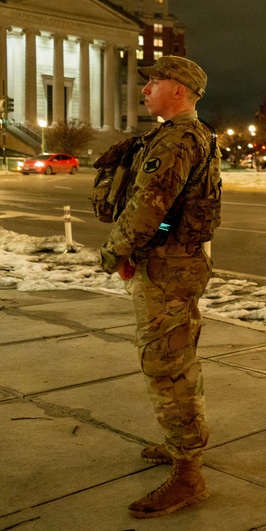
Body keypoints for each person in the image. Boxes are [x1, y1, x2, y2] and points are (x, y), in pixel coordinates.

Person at [98, 56, 222, 519]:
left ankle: (189, 475)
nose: (145, 89)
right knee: (176, 356)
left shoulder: (177, 140)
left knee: (166, 364)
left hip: (168, 266)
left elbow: (150, 206)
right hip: (173, 261)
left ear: (178, 89)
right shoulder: (190, 135)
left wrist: (116, 250)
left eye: (153, 82)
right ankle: (182, 444)